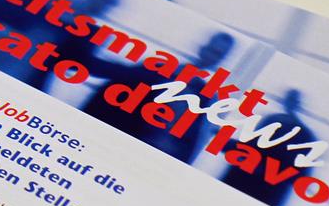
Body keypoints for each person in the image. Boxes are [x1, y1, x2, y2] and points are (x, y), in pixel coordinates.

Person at [78, 31, 237, 163]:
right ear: (202, 48)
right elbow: (117, 89)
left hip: (159, 156)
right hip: (127, 141)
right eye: (212, 50)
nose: (211, 57)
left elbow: (192, 140)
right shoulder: (156, 69)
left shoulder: (206, 96)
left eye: (218, 54)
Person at [219, 89, 317, 206]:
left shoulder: (295, 130)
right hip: (255, 188)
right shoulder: (277, 122)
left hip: (251, 186)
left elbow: (248, 149)